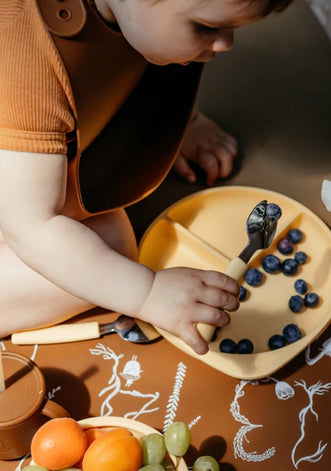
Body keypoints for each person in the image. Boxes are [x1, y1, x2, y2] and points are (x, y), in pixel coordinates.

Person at [0, 0, 292, 355]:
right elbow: (32, 226)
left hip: (35, 161)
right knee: (110, 249)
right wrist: (147, 293)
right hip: (18, 196)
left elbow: (147, 58)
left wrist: (187, 121)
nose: (224, 43)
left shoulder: (137, 14)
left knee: (101, 246)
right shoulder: (26, 59)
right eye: (205, 27)